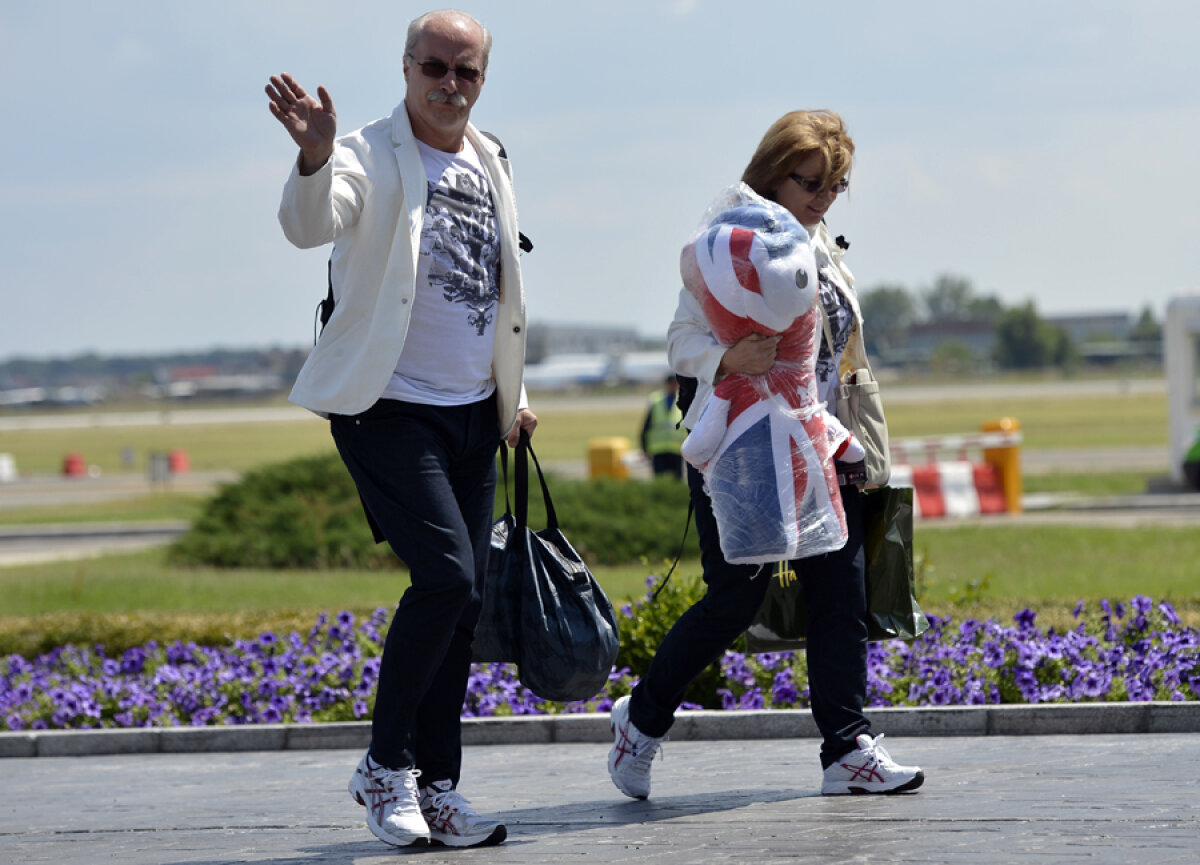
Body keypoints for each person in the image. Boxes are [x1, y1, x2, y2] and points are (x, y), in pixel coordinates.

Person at [266, 9, 536, 850]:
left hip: (472, 413)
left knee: (463, 604)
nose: (450, 86)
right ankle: (385, 768)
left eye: (467, 73)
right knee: (448, 578)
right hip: (386, 407)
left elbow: (498, 285)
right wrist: (313, 153)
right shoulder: (364, 151)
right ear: (407, 67)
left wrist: (509, 391)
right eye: (435, 68)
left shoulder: (492, 157)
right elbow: (312, 222)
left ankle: (440, 784)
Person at [608, 110, 924, 800]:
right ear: (771, 173)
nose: (821, 197)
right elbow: (678, 340)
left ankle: (847, 747)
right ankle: (641, 718)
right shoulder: (732, 243)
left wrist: (861, 447)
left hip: (817, 446)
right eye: (809, 181)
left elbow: (838, 358)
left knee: (840, 592)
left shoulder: (822, 246)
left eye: (835, 186)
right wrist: (725, 357)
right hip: (743, 450)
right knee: (735, 599)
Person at [640, 374, 687, 478]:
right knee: (659, 479)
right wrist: (644, 447)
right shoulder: (656, 401)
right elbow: (646, 426)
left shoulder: (684, 399)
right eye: (671, 384)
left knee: (677, 479)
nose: (673, 386)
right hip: (659, 449)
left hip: (676, 448)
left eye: (675, 384)